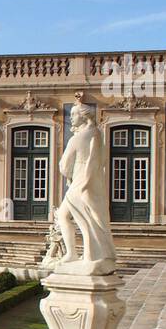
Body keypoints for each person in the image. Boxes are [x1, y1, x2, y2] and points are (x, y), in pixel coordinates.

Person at [53, 100, 116, 274]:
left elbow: (64, 166)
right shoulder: (96, 134)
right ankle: (80, 254)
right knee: (83, 219)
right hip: (93, 182)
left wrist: (72, 173)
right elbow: (102, 160)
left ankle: (81, 254)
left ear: (83, 116)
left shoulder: (77, 138)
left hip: (79, 184)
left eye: (74, 114)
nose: (70, 117)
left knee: (73, 218)